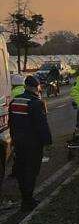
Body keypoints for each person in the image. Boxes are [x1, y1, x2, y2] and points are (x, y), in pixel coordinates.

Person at [9, 75, 52, 210]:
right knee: (32, 171)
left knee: (21, 170)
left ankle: (24, 198)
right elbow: (41, 125)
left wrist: (13, 139)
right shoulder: (36, 102)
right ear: (36, 87)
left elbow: (11, 123)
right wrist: (48, 141)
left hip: (18, 142)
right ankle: (28, 200)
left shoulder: (15, 101)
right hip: (33, 144)